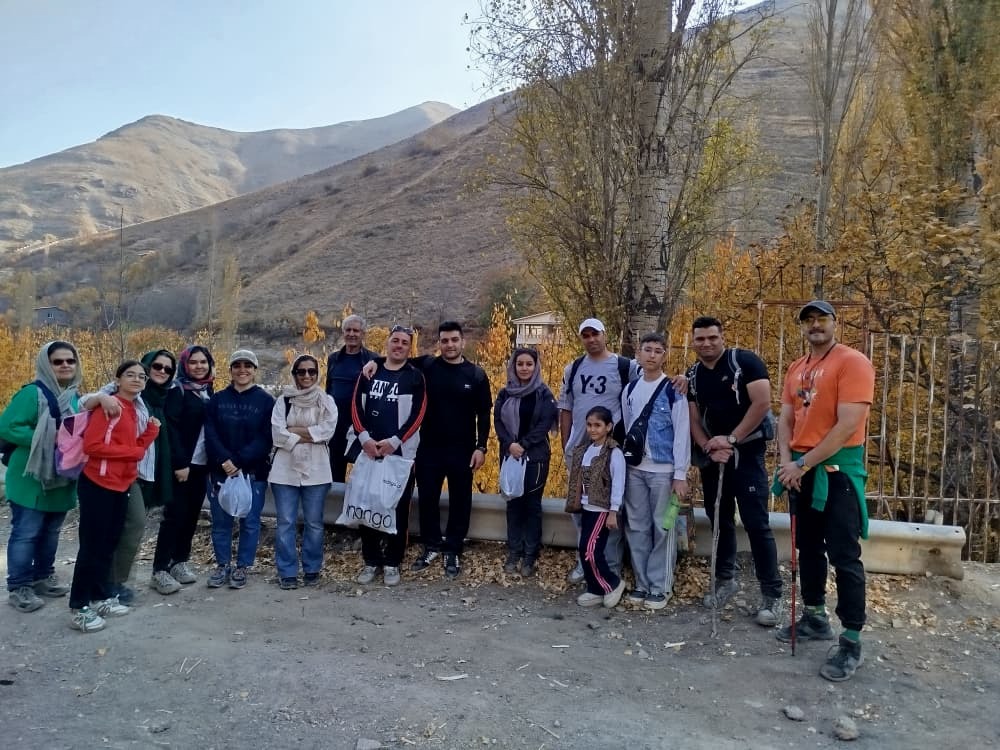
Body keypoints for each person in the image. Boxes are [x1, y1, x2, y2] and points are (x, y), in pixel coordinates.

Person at [774, 300, 875, 682]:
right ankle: (815, 616)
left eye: (821, 319)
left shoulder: (853, 363)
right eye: (808, 320)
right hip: (801, 469)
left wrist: (802, 464)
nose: (815, 325)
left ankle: (851, 639)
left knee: (845, 555)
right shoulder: (796, 368)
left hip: (836, 472)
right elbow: (786, 419)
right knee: (809, 549)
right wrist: (788, 464)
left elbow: (846, 426)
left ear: (834, 322)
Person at [687, 316, 783, 626]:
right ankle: (725, 580)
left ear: (722, 337)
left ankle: (772, 594)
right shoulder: (693, 375)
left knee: (757, 524)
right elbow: (693, 418)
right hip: (715, 457)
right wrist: (709, 446)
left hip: (747, 455)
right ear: (693, 341)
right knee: (720, 521)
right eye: (700, 339)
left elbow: (762, 403)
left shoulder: (745, 362)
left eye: (712, 337)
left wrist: (731, 439)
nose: (706, 343)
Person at [68, 360, 159, 632]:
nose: (137, 379)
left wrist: (151, 433)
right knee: (92, 546)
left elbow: (135, 448)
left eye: (142, 376)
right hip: (98, 482)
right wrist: (134, 452)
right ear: (117, 380)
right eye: (130, 375)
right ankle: (79, 607)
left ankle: (99, 597)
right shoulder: (109, 405)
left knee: (108, 543)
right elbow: (92, 446)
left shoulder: (133, 409)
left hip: (121, 484)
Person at [1, 341, 83, 614]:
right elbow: (7, 427)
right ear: (46, 365)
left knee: (51, 532)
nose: (65, 365)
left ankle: (42, 576)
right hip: (31, 477)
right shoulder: (32, 393)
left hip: (61, 477)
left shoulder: (73, 395)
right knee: (26, 533)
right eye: (57, 361)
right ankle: (19, 586)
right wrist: (48, 438)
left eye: (70, 360)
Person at [405, 321, 492, 580]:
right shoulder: (427, 366)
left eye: (454, 340)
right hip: (428, 449)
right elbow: (396, 361)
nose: (450, 345)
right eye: (445, 340)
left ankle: (453, 549)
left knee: (460, 501)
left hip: (462, 450)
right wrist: (374, 363)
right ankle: (431, 546)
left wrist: (481, 447)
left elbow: (484, 415)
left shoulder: (476, 375)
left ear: (463, 342)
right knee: (428, 499)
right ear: (439, 343)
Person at [558, 318, 638, 583]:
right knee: (580, 507)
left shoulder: (625, 366)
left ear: (604, 334)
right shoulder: (573, 368)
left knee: (608, 508)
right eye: (586, 335)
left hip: (608, 450)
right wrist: (566, 444)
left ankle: (609, 565)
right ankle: (586, 561)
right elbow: (566, 407)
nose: (591, 339)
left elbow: (651, 383)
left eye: (595, 334)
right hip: (580, 451)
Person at [349, 325, 427, 586]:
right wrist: (364, 438)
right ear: (387, 342)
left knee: (398, 509)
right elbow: (355, 407)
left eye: (405, 342)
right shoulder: (369, 372)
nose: (399, 346)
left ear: (410, 347)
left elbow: (418, 414)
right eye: (395, 340)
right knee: (367, 504)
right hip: (369, 451)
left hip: (400, 455)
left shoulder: (415, 376)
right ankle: (371, 561)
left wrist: (396, 441)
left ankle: (393, 562)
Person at [621, 333, 690, 611]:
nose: (651, 355)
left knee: (662, 527)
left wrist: (680, 473)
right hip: (635, 468)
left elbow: (681, 433)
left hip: (663, 469)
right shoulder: (630, 389)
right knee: (637, 526)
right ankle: (641, 582)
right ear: (638, 354)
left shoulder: (673, 390)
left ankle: (660, 585)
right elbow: (629, 427)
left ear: (664, 355)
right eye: (647, 349)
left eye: (657, 350)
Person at [203, 349, 275, 590]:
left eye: (248, 365)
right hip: (219, 472)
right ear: (231, 369)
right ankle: (222, 565)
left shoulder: (266, 401)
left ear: (254, 370)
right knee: (221, 523)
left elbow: (266, 437)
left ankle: (243, 566)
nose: (242, 370)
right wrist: (224, 460)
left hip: (253, 473)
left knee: (250, 522)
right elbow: (210, 433)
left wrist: (239, 461)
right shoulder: (217, 400)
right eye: (237, 365)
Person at [271, 354, 338, 589]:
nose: (307, 375)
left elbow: (327, 432)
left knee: (314, 523)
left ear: (318, 374)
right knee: (285, 523)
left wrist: (294, 430)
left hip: (317, 470)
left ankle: (312, 569)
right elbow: (277, 435)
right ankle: (287, 571)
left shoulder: (326, 401)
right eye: (301, 371)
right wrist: (311, 433)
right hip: (284, 470)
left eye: (311, 371)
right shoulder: (284, 401)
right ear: (294, 374)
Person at [151, 345, 216, 592]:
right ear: (185, 365)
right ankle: (159, 569)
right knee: (174, 517)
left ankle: (179, 561)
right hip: (182, 465)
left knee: (191, 516)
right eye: (193, 362)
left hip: (202, 465)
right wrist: (180, 463)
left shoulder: (207, 390)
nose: (199, 366)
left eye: (203, 362)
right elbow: (172, 429)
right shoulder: (178, 390)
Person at [494, 348, 558, 577]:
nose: (524, 368)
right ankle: (514, 551)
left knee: (532, 505)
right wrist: (509, 444)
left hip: (535, 456)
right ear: (513, 366)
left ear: (536, 366)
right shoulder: (505, 393)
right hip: (510, 455)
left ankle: (530, 554)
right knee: (513, 503)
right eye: (519, 364)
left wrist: (524, 444)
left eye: (529, 364)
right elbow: (498, 420)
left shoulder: (544, 394)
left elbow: (544, 423)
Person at [564, 406, 627, 608]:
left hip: (602, 509)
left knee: (591, 551)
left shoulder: (613, 452)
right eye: (589, 425)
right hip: (586, 507)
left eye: (598, 425)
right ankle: (595, 588)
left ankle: (613, 583)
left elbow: (618, 483)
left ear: (608, 427)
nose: (593, 429)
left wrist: (613, 511)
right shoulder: (585, 450)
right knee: (585, 549)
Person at [324, 314, 376, 483]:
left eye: (356, 330)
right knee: (334, 474)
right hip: (336, 426)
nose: (352, 334)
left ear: (363, 333)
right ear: (343, 332)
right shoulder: (333, 359)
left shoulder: (373, 360)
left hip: (361, 427)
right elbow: (328, 389)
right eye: (348, 330)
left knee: (362, 475)